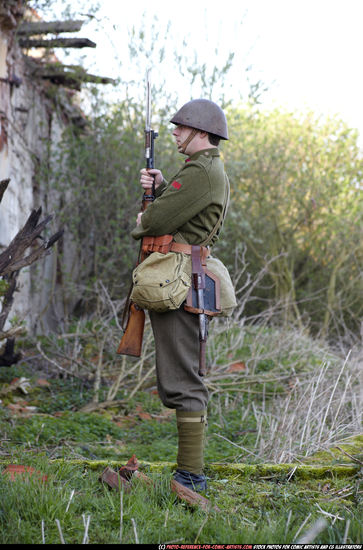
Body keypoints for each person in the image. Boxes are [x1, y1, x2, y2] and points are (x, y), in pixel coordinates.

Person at [131, 99, 232, 492]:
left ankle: (191, 477)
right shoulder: (202, 170)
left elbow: (157, 220)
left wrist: (147, 217)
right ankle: (189, 474)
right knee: (180, 375)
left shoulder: (201, 171)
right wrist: (160, 188)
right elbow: (179, 210)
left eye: (180, 127)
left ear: (201, 133)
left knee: (183, 378)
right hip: (184, 276)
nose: (173, 132)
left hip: (180, 280)